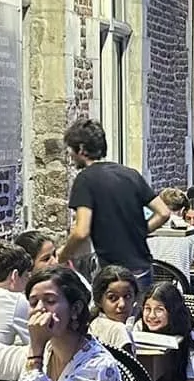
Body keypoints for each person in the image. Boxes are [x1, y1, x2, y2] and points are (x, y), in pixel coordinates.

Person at [63, 118, 168, 290]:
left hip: (114, 274)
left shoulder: (85, 179)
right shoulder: (131, 174)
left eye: (70, 150)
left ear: (81, 149)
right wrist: (139, 231)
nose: (70, 156)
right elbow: (163, 213)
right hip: (143, 268)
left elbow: (81, 232)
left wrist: (63, 255)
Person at [149, 190, 194, 292]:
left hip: (146, 292)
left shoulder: (145, 228)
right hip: (177, 293)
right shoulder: (191, 232)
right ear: (183, 211)